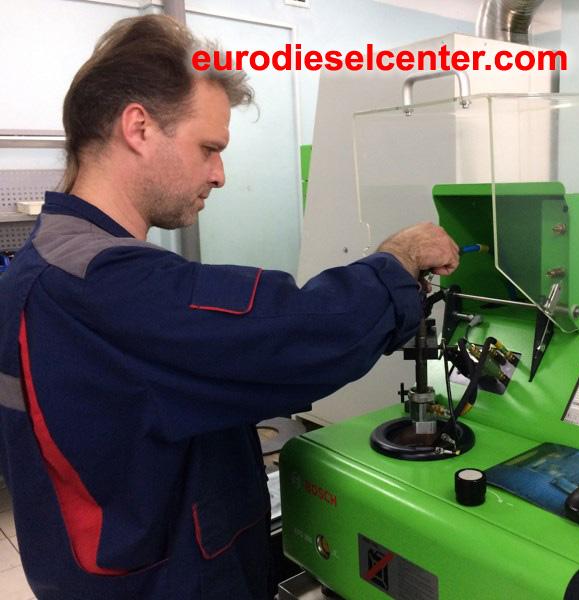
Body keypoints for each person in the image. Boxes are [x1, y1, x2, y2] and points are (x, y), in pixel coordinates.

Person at [0, 14, 458, 600]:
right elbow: (293, 335)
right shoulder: (100, 285)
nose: (219, 175)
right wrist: (398, 258)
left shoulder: (39, 264)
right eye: (209, 148)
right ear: (138, 127)